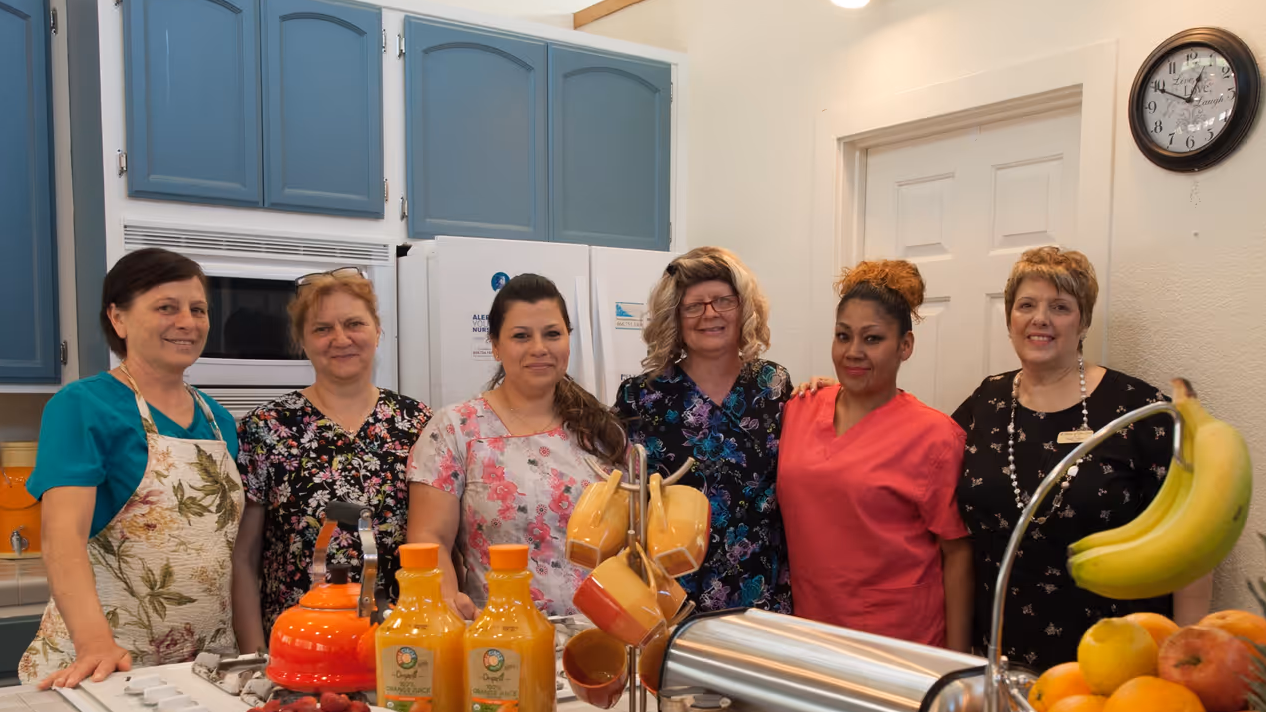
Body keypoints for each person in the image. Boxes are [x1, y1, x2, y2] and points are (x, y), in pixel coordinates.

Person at [953, 246, 1210, 672]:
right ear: (1010, 320)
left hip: (1119, 659)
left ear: (1084, 321)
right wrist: (849, 394)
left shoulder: (1141, 410)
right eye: (1027, 305)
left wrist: (1187, 659)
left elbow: (1192, 542)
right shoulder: (987, 400)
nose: (1040, 318)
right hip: (1000, 651)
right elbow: (922, 454)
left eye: (1060, 307)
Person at [18, 248, 243, 688]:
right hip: (105, 664)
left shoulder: (220, 420)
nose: (188, 322)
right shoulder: (82, 405)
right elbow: (61, 538)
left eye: (198, 310)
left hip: (207, 665)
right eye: (166, 308)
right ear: (118, 319)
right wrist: (94, 644)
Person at [232, 270, 430, 651]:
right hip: (300, 646)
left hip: (399, 645)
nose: (341, 339)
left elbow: (438, 545)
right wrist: (257, 656)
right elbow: (244, 559)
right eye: (322, 329)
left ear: (377, 331)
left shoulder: (418, 423)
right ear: (302, 341)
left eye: (354, 323)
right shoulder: (266, 428)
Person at [407, 274, 626, 617]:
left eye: (552, 334)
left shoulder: (601, 430)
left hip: (598, 642)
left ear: (569, 339)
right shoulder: (456, 429)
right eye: (521, 336)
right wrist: (448, 600)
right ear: (495, 345)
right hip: (500, 642)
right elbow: (428, 537)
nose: (539, 347)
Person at [777, 260, 968, 648]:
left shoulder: (935, 436)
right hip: (809, 633)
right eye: (843, 336)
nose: (853, 352)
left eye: (872, 339)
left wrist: (959, 664)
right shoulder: (799, 408)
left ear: (905, 346)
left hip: (900, 642)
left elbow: (957, 553)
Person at [616, 247, 793, 613]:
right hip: (667, 600)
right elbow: (623, 501)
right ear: (674, 318)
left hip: (760, 594)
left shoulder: (772, 385)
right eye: (693, 306)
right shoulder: (641, 396)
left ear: (744, 308)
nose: (709, 314)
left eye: (723, 301)